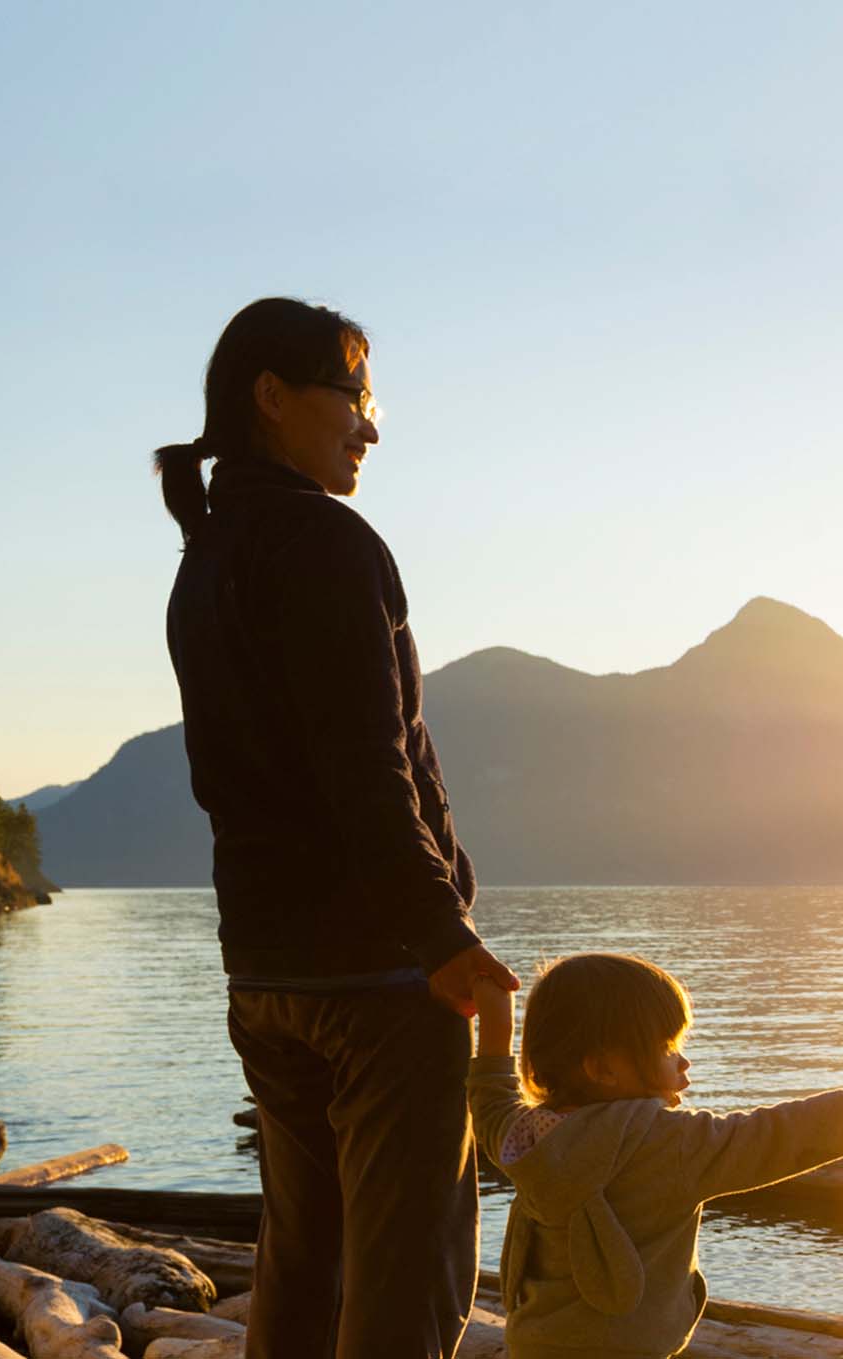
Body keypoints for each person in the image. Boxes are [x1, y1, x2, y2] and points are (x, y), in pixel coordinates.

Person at [155, 297, 518, 1359]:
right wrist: (440, 935)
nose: (370, 425)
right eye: (354, 395)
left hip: (264, 972)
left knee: (304, 1264)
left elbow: (236, 779)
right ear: (271, 397)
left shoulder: (207, 555)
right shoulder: (324, 540)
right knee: (405, 1282)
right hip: (376, 977)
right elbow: (367, 766)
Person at [467, 952, 843, 1359]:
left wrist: (495, 1017)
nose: (683, 1059)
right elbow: (773, 1136)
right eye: (666, 1047)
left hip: (534, 1345)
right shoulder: (670, 1143)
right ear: (603, 1069)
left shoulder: (526, 1137)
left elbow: (490, 1100)